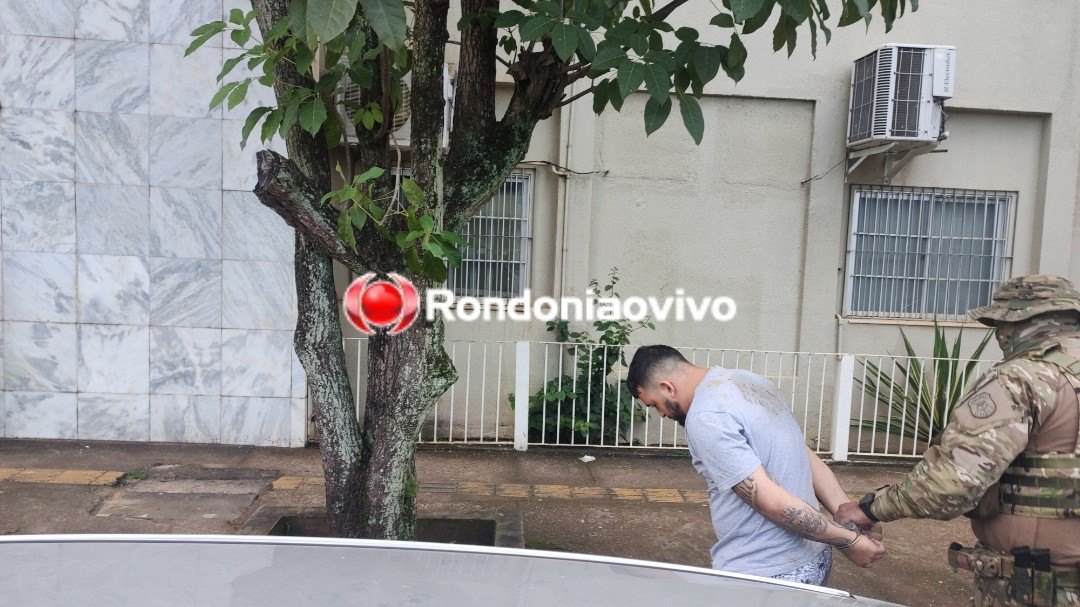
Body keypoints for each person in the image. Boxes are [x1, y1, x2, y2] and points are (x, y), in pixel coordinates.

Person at [834, 275, 1080, 607]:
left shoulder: (1024, 378)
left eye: (999, 325)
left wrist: (870, 508)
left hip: (1043, 588)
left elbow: (951, 485)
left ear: (1016, 324)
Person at [627, 345, 886, 586]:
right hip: (813, 558)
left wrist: (848, 541)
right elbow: (805, 456)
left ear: (667, 387)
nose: (661, 414)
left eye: (655, 405)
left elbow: (771, 502)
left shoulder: (706, 416)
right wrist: (849, 514)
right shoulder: (749, 381)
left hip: (766, 573)